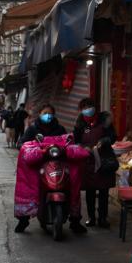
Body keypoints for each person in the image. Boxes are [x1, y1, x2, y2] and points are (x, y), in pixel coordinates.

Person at [15, 104, 87, 234]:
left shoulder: (59, 129)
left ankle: (75, 221)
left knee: (71, 186)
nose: (48, 115)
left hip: (58, 163)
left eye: (50, 113)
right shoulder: (32, 129)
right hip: (38, 165)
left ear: (54, 115)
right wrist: (27, 147)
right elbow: (22, 143)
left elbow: (68, 142)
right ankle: (23, 220)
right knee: (28, 188)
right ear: (40, 114)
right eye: (45, 113)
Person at [73, 98, 118, 227]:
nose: (88, 109)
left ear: (95, 107)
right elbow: (75, 140)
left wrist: (105, 141)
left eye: (90, 106)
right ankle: (91, 217)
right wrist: (82, 147)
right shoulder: (80, 123)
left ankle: (103, 218)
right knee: (90, 191)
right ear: (81, 110)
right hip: (87, 161)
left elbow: (113, 136)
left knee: (104, 190)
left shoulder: (105, 121)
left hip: (104, 159)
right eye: (84, 107)